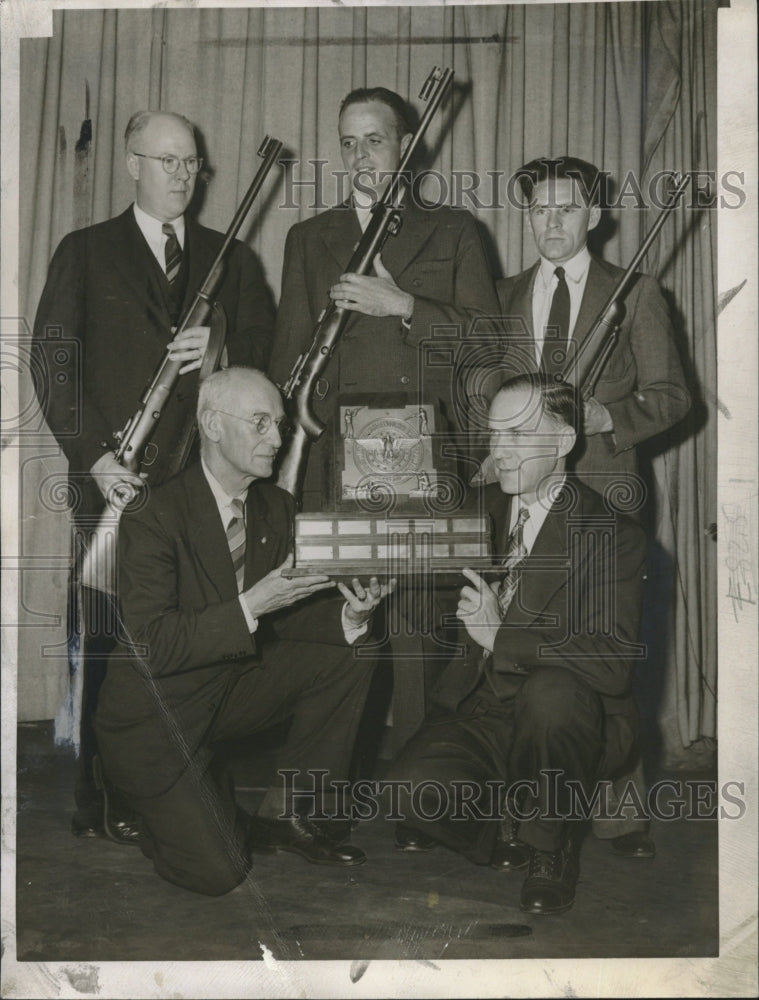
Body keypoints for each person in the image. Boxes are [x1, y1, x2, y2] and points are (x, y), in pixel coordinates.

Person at [32, 110, 276, 840]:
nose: (181, 175)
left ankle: (189, 786)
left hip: (201, 481)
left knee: (203, 635)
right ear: (131, 164)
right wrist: (96, 460)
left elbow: (267, 352)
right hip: (113, 476)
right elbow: (54, 363)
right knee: (107, 634)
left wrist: (224, 341)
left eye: (191, 163)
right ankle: (102, 798)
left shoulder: (226, 257)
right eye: (165, 160)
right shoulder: (85, 250)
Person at [93, 367, 393, 895]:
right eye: (260, 423)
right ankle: (129, 786)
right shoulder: (154, 512)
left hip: (229, 691)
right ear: (211, 424)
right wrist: (252, 602)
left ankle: (289, 812)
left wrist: (352, 616)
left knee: (353, 651)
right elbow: (154, 644)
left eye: (278, 424)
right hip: (157, 715)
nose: (277, 440)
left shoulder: (275, 506)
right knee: (219, 871)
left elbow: (289, 613)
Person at [386, 373, 648, 915]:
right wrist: (370, 600)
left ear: (563, 441)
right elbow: (431, 604)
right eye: (494, 434)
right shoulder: (475, 514)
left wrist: (500, 635)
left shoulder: (612, 533)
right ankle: (513, 814)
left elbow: (612, 662)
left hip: (572, 718)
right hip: (485, 711)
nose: (497, 452)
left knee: (550, 696)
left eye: (517, 435)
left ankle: (550, 848)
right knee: (405, 792)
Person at [269, 85, 499, 512]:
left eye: (374, 141)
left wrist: (405, 306)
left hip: (427, 448)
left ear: (405, 146)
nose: (360, 155)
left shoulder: (453, 227)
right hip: (330, 451)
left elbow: (487, 341)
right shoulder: (307, 238)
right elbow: (288, 359)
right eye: (349, 143)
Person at [492, 155, 690, 498]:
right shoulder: (499, 295)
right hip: (514, 488)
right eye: (540, 211)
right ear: (528, 221)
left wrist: (608, 418)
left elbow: (672, 397)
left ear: (593, 216)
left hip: (603, 489)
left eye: (567, 210)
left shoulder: (637, 292)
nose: (552, 223)